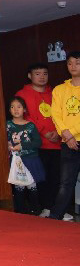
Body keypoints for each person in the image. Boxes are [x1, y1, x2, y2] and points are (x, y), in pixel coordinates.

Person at [15, 63, 60, 215]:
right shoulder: (22, 94)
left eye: (45, 74)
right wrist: (44, 132)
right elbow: (25, 116)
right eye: (37, 74)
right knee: (39, 177)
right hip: (36, 144)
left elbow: (62, 114)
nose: (42, 77)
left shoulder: (54, 93)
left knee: (56, 177)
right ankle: (43, 208)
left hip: (57, 143)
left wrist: (58, 132)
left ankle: (54, 208)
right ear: (30, 76)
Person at [49, 51, 80, 221]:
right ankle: (56, 216)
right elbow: (55, 114)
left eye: (77, 63)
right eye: (70, 63)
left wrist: (71, 133)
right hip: (68, 142)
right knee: (66, 182)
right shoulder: (59, 89)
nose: (73, 66)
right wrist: (66, 135)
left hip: (71, 138)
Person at [6, 97, 45, 216]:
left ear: (24, 110)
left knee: (31, 185)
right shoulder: (7, 125)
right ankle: (20, 212)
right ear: (9, 110)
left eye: (19, 107)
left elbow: (38, 142)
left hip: (30, 160)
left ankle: (35, 210)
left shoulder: (30, 126)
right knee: (18, 185)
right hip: (16, 161)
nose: (16, 109)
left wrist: (22, 146)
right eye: (12, 107)